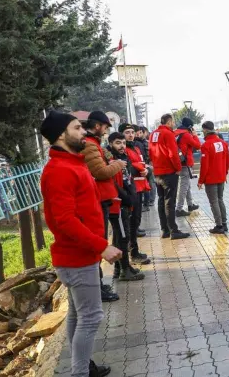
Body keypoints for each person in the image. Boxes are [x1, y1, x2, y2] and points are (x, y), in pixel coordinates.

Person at [39, 111, 121, 377]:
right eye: (77, 128)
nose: (84, 132)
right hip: (77, 258)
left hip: (80, 256)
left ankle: (83, 368)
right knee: (91, 317)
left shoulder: (73, 163)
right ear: (62, 135)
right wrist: (102, 246)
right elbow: (65, 221)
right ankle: (79, 373)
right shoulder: (60, 170)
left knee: (78, 316)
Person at [80, 111, 126, 303]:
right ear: (98, 126)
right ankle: (96, 288)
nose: (106, 132)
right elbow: (100, 171)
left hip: (101, 198)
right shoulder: (90, 145)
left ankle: (97, 285)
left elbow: (104, 159)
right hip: (97, 199)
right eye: (106, 128)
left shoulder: (95, 145)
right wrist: (118, 165)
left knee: (100, 238)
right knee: (97, 242)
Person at [106, 132, 145, 282]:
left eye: (123, 143)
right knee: (122, 236)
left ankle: (120, 267)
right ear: (110, 144)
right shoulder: (111, 161)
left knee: (119, 236)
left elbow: (128, 179)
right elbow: (114, 184)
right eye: (117, 143)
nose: (122, 146)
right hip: (119, 204)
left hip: (126, 202)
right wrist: (127, 198)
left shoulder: (124, 158)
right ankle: (124, 269)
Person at [149, 114, 191, 240]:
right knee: (170, 202)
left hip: (157, 172)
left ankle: (164, 229)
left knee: (161, 200)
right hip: (169, 172)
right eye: (173, 121)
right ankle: (174, 230)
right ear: (169, 122)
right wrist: (178, 168)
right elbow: (173, 154)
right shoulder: (168, 134)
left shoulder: (153, 134)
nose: (174, 124)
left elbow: (150, 152)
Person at [120, 124, 151, 264]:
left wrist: (147, 171)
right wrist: (140, 170)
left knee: (136, 221)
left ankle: (133, 250)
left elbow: (142, 163)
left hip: (139, 188)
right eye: (127, 132)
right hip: (130, 191)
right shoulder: (123, 150)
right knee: (131, 223)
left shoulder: (136, 147)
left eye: (132, 132)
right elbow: (127, 168)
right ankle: (132, 253)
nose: (131, 135)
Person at [197, 121, 229, 234]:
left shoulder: (206, 145)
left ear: (205, 130)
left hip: (211, 179)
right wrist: (225, 174)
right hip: (221, 177)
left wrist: (201, 181)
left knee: (214, 201)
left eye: (202, 130)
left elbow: (204, 165)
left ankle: (219, 225)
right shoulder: (223, 143)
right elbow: (227, 161)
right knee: (220, 199)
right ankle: (224, 224)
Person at [175, 117, 201, 217]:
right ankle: (179, 208)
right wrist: (194, 135)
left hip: (178, 162)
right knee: (184, 186)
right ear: (190, 127)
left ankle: (190, 204)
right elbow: (198, 146)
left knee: (187, 184)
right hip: (185, 163)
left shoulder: (175, 132)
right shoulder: (186, 135)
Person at [134, 126, 154, 211]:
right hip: (145, 165)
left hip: (145, 165)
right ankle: (147, 203)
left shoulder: (140, 143)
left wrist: (147, 164)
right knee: (146, 184)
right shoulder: (140, 142)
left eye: (139, 132)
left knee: (147, 185)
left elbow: (147, 154)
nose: (138, 134)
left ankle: (147, 203)